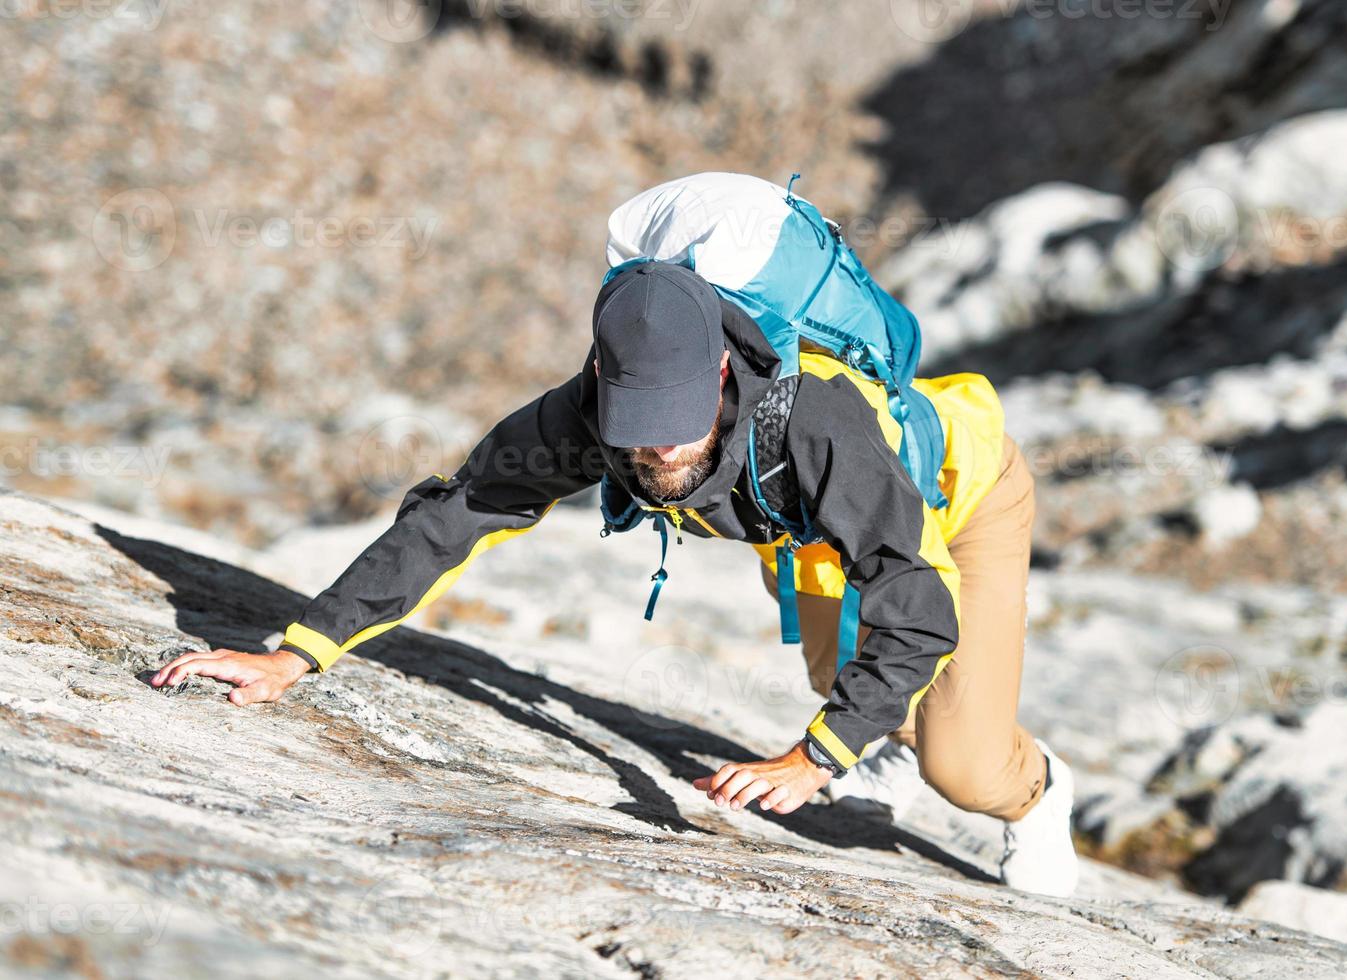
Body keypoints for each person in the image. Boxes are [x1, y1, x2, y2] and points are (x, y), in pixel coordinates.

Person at [151, 260, 1080, 896]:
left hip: (958, 503)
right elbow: (452, 517)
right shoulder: (591, 413)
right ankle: (883, 737)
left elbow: (913, 604)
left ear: (722, 370)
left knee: (957, 757)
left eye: (676, 420)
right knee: (848, 686)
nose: (656, 448)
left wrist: (816, 760)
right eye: (637, 422)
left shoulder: (817, 424)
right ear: (603, 373)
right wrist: (296, 655)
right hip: (813, 540)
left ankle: (1040, 792)